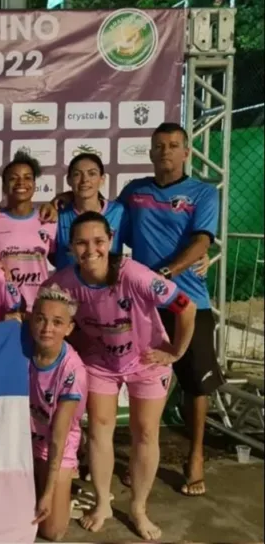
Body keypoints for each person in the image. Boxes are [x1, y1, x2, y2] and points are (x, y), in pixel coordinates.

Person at [46, 211, 197, 540]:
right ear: (71, 246)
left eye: (98, 241)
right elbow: (43, 311)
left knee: (145, 434)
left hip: (148, 361)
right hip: (100, 362)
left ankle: (139, 509)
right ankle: (103, 503)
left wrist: (177, 352)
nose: (91, 249)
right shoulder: (64, 281)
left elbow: (186, 306)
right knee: (100, 432)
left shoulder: (132, 274)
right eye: (82, 243)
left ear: (110, 241)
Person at [117, 122, 224, 496]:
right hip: (146, 306)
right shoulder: (134, 192)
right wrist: (64, 199)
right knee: (143, 381)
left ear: (185, 153)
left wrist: (165, 273)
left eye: (173, 145)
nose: (165, 151)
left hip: (190, 302)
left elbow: (201, 243)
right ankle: (141, 456)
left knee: (195, 382)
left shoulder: (203, 193)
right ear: (149, 152)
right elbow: (104, 220)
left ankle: (195, 456)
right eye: (158, 146)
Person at [28, 284, 87, 542]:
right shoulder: (20, 348)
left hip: (55, 445)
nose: (47, 328)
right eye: (40, 319)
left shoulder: (72, 369)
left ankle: (66, 483)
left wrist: (48, 493)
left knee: (51, 532)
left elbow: (58, 438)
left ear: (69, 328)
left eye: (57, 322)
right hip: (24, 442)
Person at [0, 151, 56, 310]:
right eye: (13, 178)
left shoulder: (49, 220)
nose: (21, 182)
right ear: (4, 186)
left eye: (28, 177)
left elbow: (63, 262)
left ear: (35, 184)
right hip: (2, 308)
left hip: (39, 309)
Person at [55, 153, 127, 270]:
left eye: (92, 174)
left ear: (102, 179)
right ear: (69, 180)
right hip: (67, 286)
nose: (85, 180)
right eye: (77, 174)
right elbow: (50, 254)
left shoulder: (119, 212)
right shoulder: (58, 215)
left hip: (109, 286)